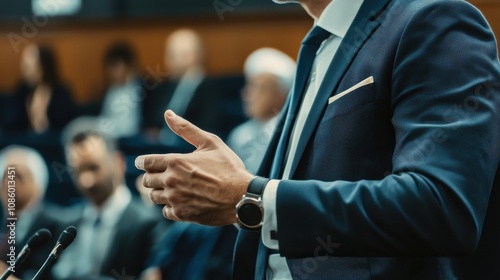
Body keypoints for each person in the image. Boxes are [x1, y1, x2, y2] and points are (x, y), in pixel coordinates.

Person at [136, 0, 500, 279]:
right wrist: (234, 201)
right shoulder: (318, 46)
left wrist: (252, 199)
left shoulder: (435, 20)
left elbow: (440, 207)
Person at [52, 121, 163, 279]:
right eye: (78, 171)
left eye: (93, 167)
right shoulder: (67, 223)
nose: (86, 181)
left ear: (118, 163)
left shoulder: (148, 223)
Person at [142, 28, 245, 143]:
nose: (176, 61)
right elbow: (153, 122)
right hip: (160, 148)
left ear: (198, 55)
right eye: (172, 55)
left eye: (183, 55)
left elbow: (209, 127)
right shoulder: (165, 87)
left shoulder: (210, 88)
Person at [227, 48, 296, 173]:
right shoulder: (239, 134)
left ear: (281, 94)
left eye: (260, 88)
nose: (247, 95)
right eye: (249, 86)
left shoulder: (291, 134)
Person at [0, 146, 64, 279]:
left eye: (17, 176)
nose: (9, 183)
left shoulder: (56, 225)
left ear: (38, 183)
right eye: (5, 176)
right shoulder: (5, 227)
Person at [6, 44, 78, 133]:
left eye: (29, 67)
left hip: (53, 143)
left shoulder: (61, 92)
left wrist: (42, 118)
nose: (24, 71)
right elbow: (11, 123)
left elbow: (66, 124)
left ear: (43, 67)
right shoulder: (22, 90)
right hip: (26, 142)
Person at [98, 42, 146, 138]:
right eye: (110, 67)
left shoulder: (144, 87)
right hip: (111, 137)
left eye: (116, 66)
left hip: (137, 137)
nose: (112, 73)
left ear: (127, 66)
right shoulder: (108, 91)